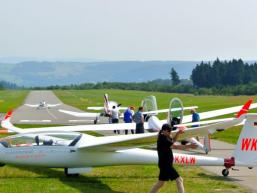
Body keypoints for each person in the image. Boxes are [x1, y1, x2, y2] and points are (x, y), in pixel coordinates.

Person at [150, 124, 185, 193]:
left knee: (160, 183)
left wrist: (178, 133)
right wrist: (190, 146)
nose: (170, 133)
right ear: (165, 131)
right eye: (169, 131)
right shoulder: (163, 139)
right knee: (179, 180)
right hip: (166, 165)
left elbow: (173, 141)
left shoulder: (164, 136)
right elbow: (175, 146)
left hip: (164, 164)